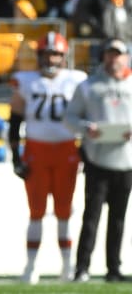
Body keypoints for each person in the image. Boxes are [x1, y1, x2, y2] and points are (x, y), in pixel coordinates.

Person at [8, 31, 88, 284]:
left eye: (56, 54)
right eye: (47, 53)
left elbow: (86, 114)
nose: (51, 59)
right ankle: (31, 267)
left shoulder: (76, 80)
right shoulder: (26, 80)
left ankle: (68, 266)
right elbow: (15, 121)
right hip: (36, 149)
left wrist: (84, 148)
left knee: (64, 210)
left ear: (64, 56)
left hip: (66, 149)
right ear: (39, 55)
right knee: (36, 211)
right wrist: (15, 155)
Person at [64, 38, 132, 283]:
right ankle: (82, 268)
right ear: (103, 57)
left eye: (118, 54)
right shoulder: (88, 86)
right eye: (110, 54)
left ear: (125, 57)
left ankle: (114, 268)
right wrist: (86, 128)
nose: (114, 59)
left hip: (126, 161)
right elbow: (69, 117)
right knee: (91, 217)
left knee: (118, 219)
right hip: (97, 160)